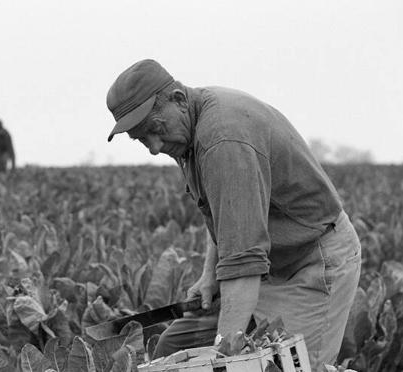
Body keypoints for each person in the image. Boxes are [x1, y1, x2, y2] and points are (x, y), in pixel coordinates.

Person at [105, 59, 361, 371]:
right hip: (265, 265)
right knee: (172, 346)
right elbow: (225, 213)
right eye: (142, 138)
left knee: (290, 367)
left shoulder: (224, 139)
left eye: (156, 130)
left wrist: (226, 357)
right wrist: (209, 273)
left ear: (178, 99)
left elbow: (243, 261)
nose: (155, 147)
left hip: (310, 263)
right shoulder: (188, 129)